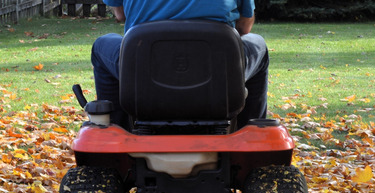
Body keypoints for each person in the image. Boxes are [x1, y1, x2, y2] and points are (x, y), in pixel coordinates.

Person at [90, 0, 269, 129]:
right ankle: (251, 133)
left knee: (102, 46)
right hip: (216, 70)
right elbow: (245, 27)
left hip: (145, 66)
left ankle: (115, 131)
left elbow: (120, 14)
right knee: (257, 44)